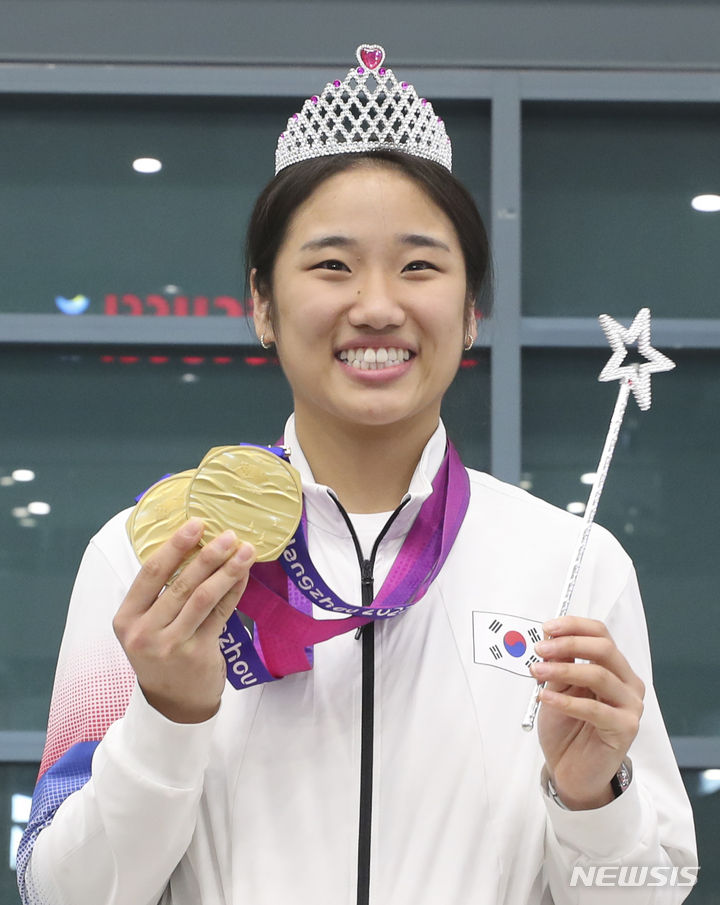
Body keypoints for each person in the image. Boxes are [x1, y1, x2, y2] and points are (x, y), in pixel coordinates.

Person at [17, 44, 696, 905]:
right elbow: (60, 893)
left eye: (419, 265)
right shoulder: (149, 559)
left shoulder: (572, 565)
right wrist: (170, 714)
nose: (377, 305)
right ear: (262, 304)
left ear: (471, 309)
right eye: (331, 265)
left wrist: (592, 796)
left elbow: (647, 893)